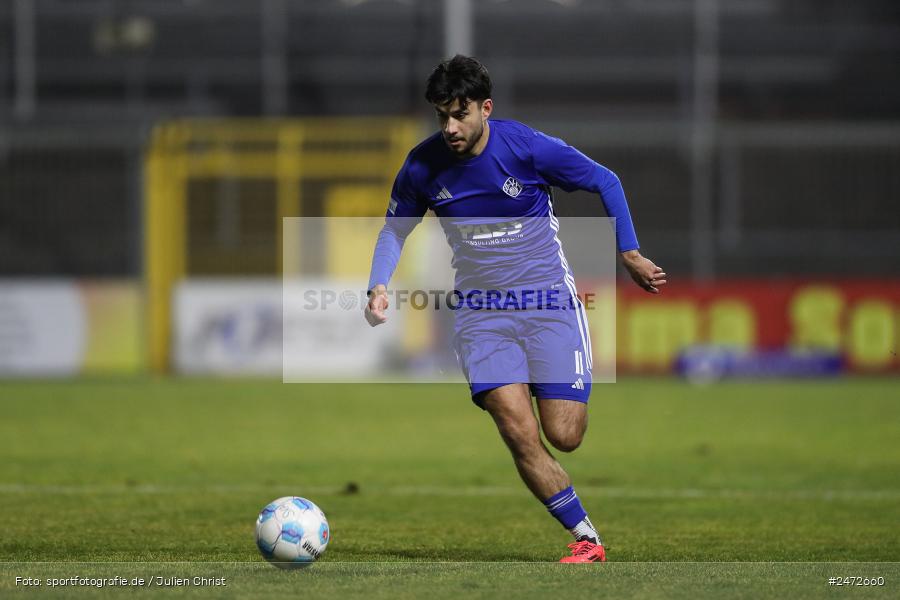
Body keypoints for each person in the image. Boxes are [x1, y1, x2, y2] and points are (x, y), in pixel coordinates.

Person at [364, 55, 665, 563]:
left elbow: (605, 180)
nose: (450, 127)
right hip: (482, 316)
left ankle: (539, 385)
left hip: (548, 303)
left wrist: (629, 252)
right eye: (442, 116)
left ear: (486, 108)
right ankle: (587, 538)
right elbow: (395, 229)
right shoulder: (422, 165)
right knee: (516, 428)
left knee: (564, 435)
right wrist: (377, 284)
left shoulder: (526, 148)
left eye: (460, 114)